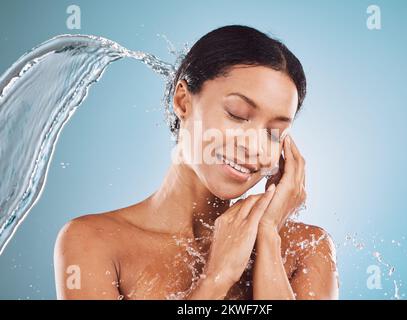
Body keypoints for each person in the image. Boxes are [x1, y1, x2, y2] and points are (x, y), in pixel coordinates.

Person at [54, 25, 339, 300]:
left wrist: (267, 236)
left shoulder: (306, 249)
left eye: (274, 132)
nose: (254, 146)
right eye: (237, 114)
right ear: (182, 101)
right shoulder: (93, 241)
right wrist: (218, 276)